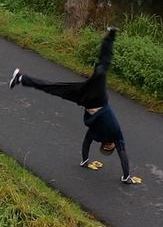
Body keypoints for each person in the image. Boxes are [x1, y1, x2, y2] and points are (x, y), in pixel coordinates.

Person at [9, 27, 141, 184]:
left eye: (110, 148)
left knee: (100, 69)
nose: (113, 147)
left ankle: (111, 34)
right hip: (85, 99)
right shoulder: (98, 135)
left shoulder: (112, 136)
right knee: (55, 88)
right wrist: (125, 177)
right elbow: (93, 146)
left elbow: (121, 153)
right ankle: (20, 78)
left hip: (94, 97)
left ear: (109, 146)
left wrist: (88, 162)